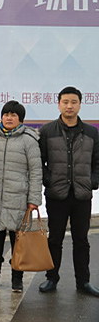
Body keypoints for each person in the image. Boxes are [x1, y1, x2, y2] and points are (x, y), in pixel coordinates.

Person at [38, 86, 99, 297]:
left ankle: (83, 282)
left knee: (81, 240)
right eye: (65, 102)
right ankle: (51, 278)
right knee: (54, 239)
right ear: (58, 104)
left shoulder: (91, 132)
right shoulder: (47, 131)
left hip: (82, 195)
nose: (69, 106)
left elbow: (97, 162)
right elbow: (39, 162)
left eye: (73, 102)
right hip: (57, 194)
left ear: (80, 104)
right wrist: (49, 180)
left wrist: (92, 182)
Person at [0, 100, 42, 292]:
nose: (9, 118)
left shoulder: (29, 140)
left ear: (20, 119)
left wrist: (34, 199)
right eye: (6, 114)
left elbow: (36, 171)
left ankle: (17, 278)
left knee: (19, 242)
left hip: (18, 199)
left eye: (13, 115)